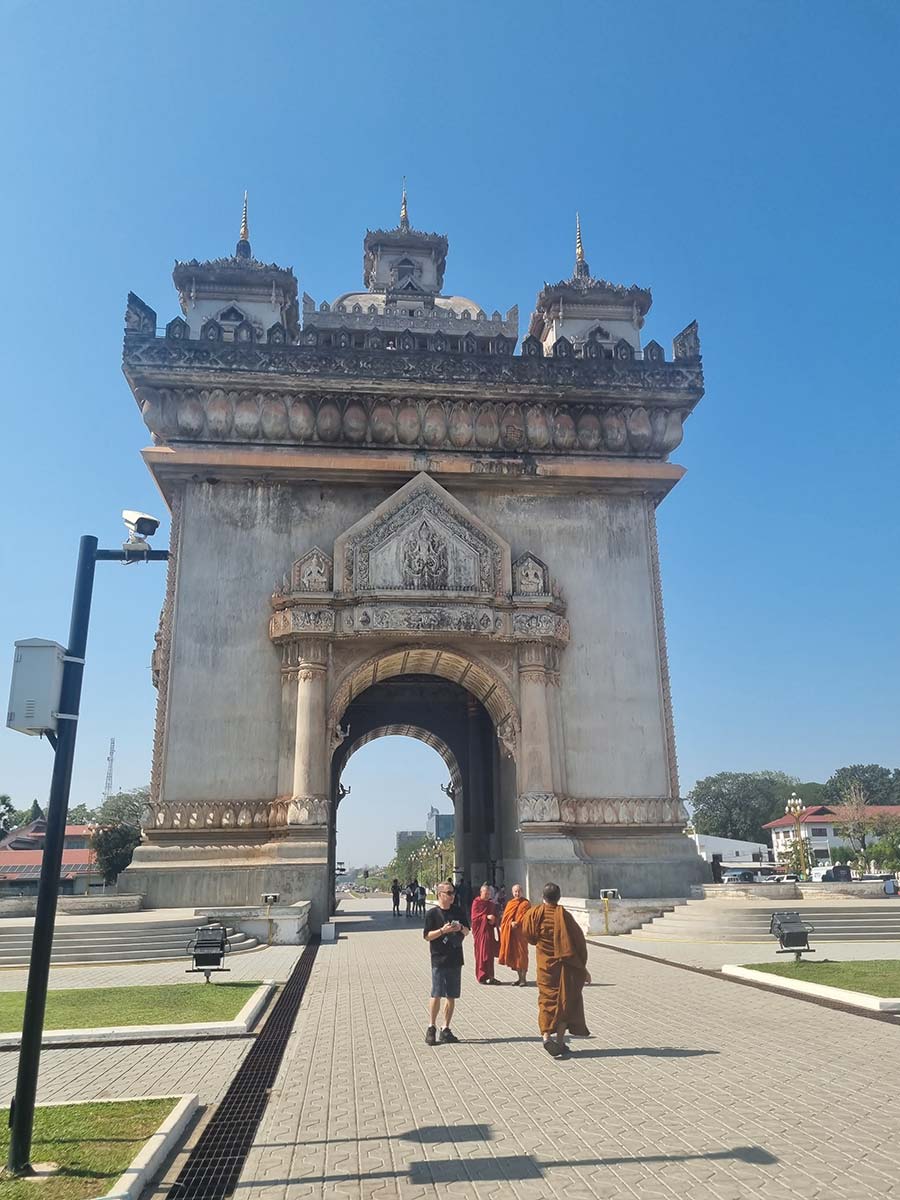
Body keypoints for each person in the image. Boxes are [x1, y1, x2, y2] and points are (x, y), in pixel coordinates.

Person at [521, 881, 591, 1057]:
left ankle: (546, 1037)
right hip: (563, 968)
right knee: (563, 1002)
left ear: (542, 897)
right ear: (559, 897)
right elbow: (578, 942)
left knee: (546, 1001)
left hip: (545, 967)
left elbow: (529, 936)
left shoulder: (534, 914)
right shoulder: (565, 916)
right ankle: (559, 1042)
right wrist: (582, 967)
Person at [423, 882, 470, 1045]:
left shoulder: (458, 911)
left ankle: (446, 1028)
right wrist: (443, 930)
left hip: (455, 957)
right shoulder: (432, 914)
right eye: (449, 893)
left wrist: (459, 927)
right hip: (438, 957)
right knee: (436, 993)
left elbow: (467, 931)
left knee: (451, 994)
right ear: (440, 894)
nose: (452, 896)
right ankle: (431, 1027)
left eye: (453, 893)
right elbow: (427, 936)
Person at [498, 882, 530, 985]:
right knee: (515, 955)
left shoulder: (526, 903)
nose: (517, 893)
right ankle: (519, 978)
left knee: (522, 955)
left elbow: (527, 916)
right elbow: (505, 919)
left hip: (521, 934)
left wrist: (518, 922)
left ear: (522, 892)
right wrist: (510, 923)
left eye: (519, 891)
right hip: (511, 933)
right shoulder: (510, 903)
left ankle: (523, 979)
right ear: (512, 893)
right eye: (515, 891)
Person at [470, 883, 500, 984]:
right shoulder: (476, 903)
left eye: (489, 894)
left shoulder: (491, 904)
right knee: (481, 954)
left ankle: (491, 976)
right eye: (485, 893)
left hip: (489, 933)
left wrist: (494, 920)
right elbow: (474, 919)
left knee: (489, 955)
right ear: (481, 893)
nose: (487, 895)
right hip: (480, 934)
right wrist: (486, 917)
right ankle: (482, 976)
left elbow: (496, 917)